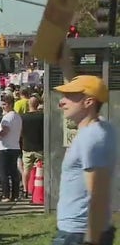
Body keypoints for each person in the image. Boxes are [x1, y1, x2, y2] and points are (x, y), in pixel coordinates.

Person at [53, 75, 117, 245]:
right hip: (78, 231)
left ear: (89, 102)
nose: (62, 102)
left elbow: (98, 195)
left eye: (69, 97)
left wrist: (91, 240)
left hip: (79, 234)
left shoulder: (92, 137)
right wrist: (65, 61)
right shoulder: (101, 127)